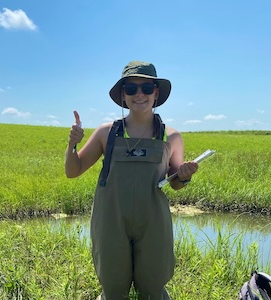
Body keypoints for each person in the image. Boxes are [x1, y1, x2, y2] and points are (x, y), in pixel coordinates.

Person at [65, 61, 198, 300]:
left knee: (153, 290)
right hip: (111, 222)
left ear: (156, 93)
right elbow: (73, 170)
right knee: (113, 289)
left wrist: (184, 175)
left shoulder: (171, 136)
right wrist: (72, 143)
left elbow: (175, 182)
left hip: (153, 223)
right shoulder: (107, 133)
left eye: (147, 88)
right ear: (122, 94)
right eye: (132, 88)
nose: (139, 94)